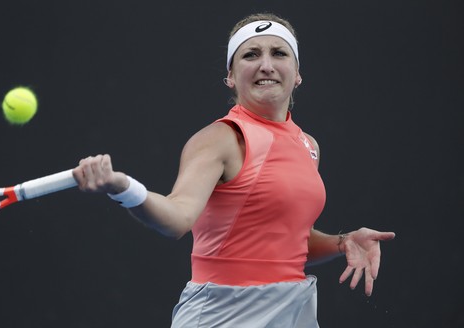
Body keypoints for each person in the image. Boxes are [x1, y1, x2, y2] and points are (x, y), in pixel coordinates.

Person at [72, 12, 396, 328]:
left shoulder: (308, 145)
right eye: (251, 54)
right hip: (224, 315)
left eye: (279, 53)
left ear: (297, 73)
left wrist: (341, 243)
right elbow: (176, 218)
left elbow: (286, 239)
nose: (265, 65)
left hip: (293, 311)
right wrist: (122, 187)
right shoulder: (221, 139)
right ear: (230, 76)